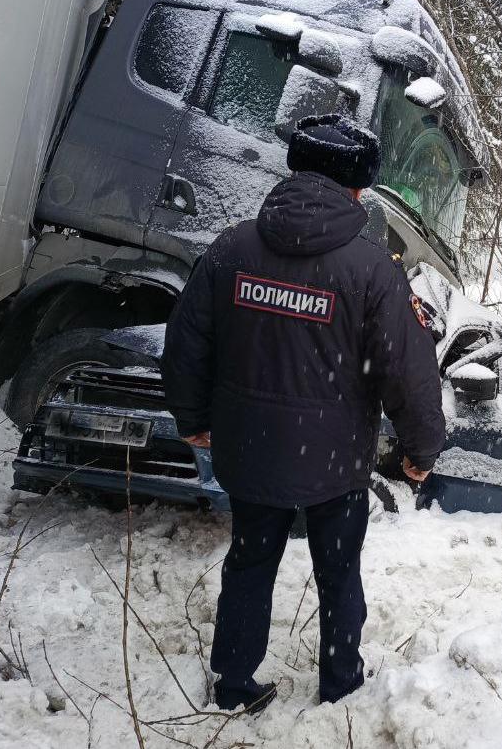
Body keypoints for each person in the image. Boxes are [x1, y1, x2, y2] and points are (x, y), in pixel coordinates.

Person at [161, 114, 446, 712]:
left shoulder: (233, 248)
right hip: (334, 463)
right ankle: (341, 682)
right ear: (357, 190)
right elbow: (408, 369)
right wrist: (421, 451)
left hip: (250, 449)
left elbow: (187, 342)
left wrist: (192, 417)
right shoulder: (371, 269)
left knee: (249, 562)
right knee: (339, 573)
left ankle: (234, 684)